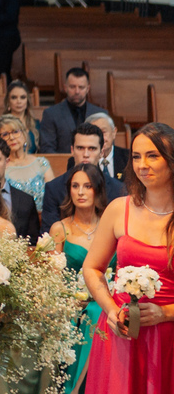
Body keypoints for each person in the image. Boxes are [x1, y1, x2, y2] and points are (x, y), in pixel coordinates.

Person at [83, 123, 174, 392]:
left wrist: (165, 313)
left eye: (152, 156)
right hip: (120, 334)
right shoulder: (118, 208)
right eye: (136, 156)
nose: (142, 164)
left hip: (167, 338)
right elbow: (92, 268)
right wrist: (110, 310)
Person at [49, 163, 110, 394]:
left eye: (88, 186)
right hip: (69, 307)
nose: (81, 192)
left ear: (98, 190)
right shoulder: (60, 228)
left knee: (99, 312)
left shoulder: (109, 225)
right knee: (94, 313)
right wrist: (70, 298)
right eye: (75, 186)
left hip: (107, 302)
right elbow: (53, 278)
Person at [41, 122, 127, 233]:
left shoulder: (119, 189)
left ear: (101, 152)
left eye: (92, 149)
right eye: (80, 148)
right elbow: (48, 237)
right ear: (72, 150)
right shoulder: (54, 188)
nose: (86, 154)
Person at [39, 68, 107, 153]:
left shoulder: (101, 114)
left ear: (88, 89)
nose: (77, 91)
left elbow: (107, 146)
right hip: (62, 164)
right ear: (65, 87)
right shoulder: (51, 114)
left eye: (81, 87)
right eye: (72, 87)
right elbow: (47, 148)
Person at [3, 80, 41, 152]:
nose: (19, 101)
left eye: (22, 97)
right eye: (14, 97)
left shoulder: (36, 124)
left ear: (27, 101)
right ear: (8, 102)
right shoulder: (0, 124)